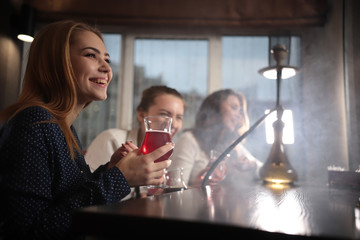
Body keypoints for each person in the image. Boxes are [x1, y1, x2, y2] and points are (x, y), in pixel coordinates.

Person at [0, 20, 173, 239]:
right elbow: (28, 230)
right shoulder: (34, 121)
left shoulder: (63, 126)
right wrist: (119, 179)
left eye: (107, 59)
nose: (107, 68)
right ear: (57, 62)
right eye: (91, 55)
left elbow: (65, 198)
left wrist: (110, 170)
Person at [169, 89, 262, 186]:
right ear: (215, 109)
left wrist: (252, 165)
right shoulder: (190, 140)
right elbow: (175, 187)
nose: (239, 115)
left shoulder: (233, 145)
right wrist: (197, 186)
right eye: (234, 108)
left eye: (240, 111)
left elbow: (266, 170)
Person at [85, 85, 185, 172]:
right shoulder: (112, 140)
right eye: (164, 114)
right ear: (141, 115)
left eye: (179, 117)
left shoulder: (172, 154)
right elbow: (87, 188)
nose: (174, 124)